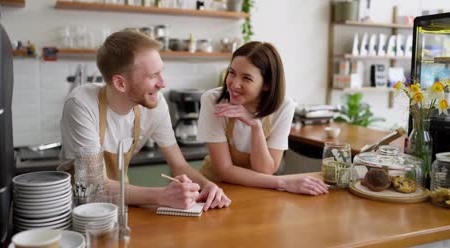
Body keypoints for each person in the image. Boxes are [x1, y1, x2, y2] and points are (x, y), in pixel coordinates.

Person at [60, 31, 231, 211]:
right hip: (75, 210)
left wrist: (207, 186)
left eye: (161, 72)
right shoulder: (81, 104)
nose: (162, 83)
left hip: (121, 208)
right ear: (120, 84)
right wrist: (162, 196)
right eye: (152, 76)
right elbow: (91, 187)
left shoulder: (155, 105)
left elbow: (179, 165)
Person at [198, 41, 329, 196]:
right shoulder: (213, 101)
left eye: (246, 78)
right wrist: (284, 182)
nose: (234, 84)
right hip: (215, 189)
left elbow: (266, 170)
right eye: (232, 72)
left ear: (267, 84)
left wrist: (255, 126)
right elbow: (225, 170)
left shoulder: (284, 106)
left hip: (257, 191)